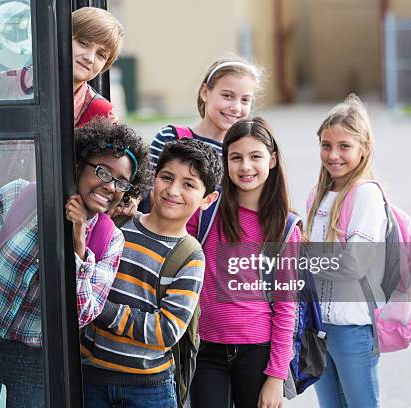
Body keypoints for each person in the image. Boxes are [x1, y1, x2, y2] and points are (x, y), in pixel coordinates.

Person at [0, 119, 151, 407]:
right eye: (102, 171)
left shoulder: (109, 240)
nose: (110, 186)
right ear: (78, 165)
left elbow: (82, 314)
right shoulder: (22, 196)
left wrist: (78, 245)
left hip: (35, 358)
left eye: (121, 182)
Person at [80, 138, 222, 408]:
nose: (173, 190)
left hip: (149, 389)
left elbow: (167, 331)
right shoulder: (117, 225)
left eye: (189, 184)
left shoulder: (189, 256)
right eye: (167, 177)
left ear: (208, 199)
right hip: (91, 378)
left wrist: (99, 309)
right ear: (153, 177)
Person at [187, 117, 299, 408]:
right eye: (236, 157)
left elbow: (287, 306)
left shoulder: (285, 228)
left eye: (255, 157)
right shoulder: (207, 213)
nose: (245, 166)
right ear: (226, 162)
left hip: (258, 353)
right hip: (206, 347)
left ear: (272, 160)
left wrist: (276, 377)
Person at [305, 94, 386, 408]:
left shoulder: (366, 194)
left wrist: (302, 259)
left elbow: (354, 264)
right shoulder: (319, 195)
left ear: (364, 148)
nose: (333, 155)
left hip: (352, 325)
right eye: (326, 145)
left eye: (344, 146)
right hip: (319, 326)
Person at [133, 56, 263, 214]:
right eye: (227, 96)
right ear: (205, 92)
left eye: (245, 100)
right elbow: (144, 189)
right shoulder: (171, 136)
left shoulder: (241, 156)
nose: (236, 107)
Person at [0, 6, 124, 127]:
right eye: (83, 43)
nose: (89, 58)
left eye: (101, 55)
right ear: (61, 38)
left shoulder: (101, 113)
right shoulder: (3, 84)